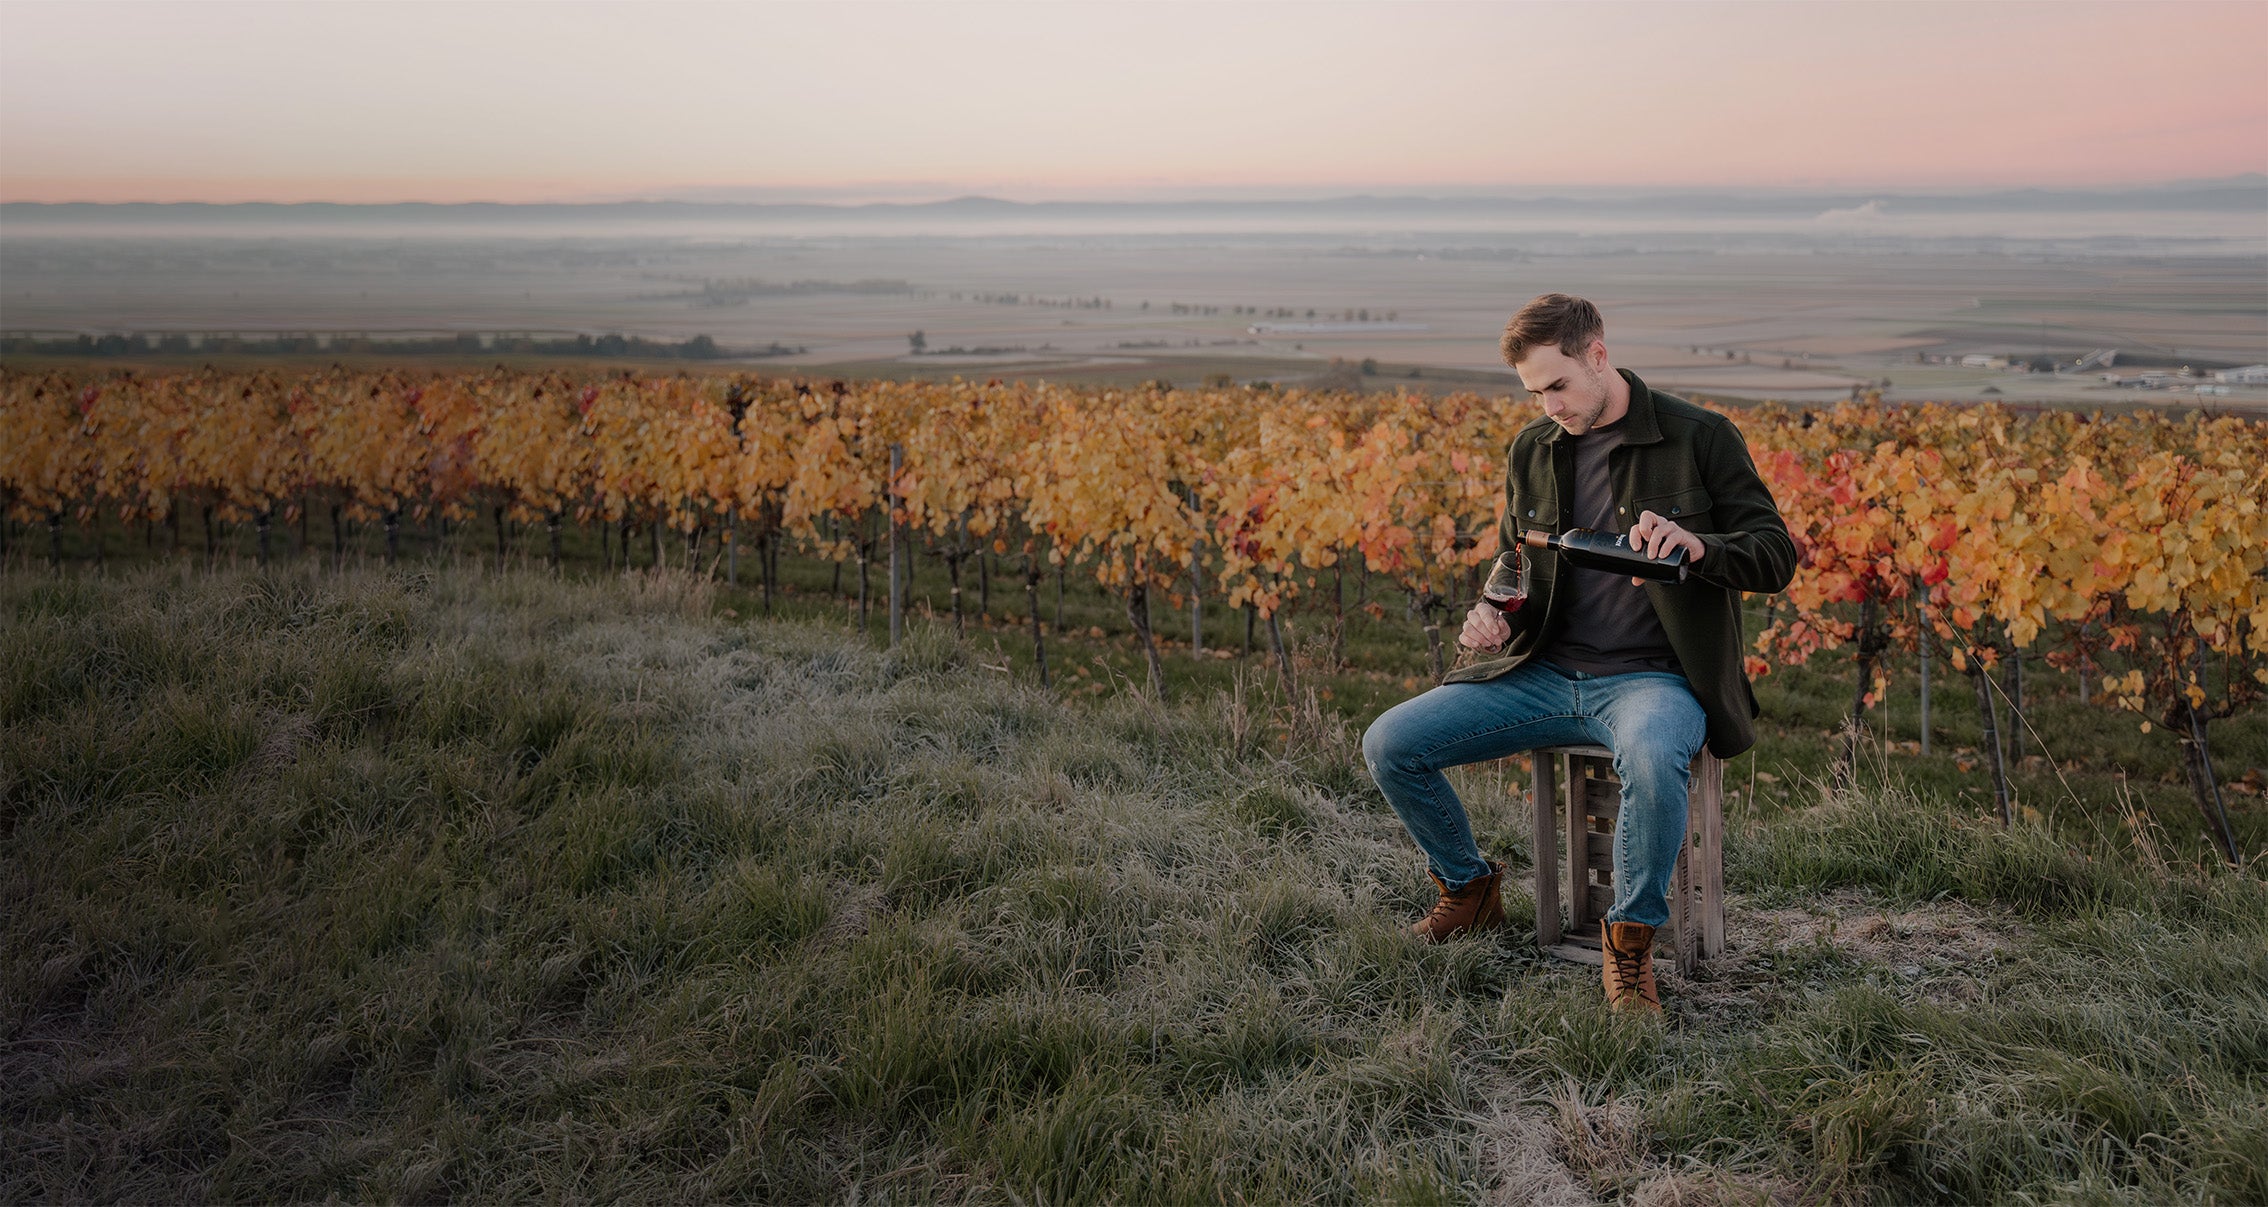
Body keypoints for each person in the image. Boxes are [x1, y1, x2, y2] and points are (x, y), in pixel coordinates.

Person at [1361, 293, 1796, 1012]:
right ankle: (1470, 889)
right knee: (1389, 743)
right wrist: (1492, 614)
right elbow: (1516, 557)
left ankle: (1628, 943)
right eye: (1534, 392)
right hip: (1541, 672)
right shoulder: (1533, 449)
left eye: (1557, 385)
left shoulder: (1701, 437)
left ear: (1599, 355)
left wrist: (1700, 546)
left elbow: (1775, 555)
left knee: (1655, 758)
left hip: (1652, 681)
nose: (1549, 405)